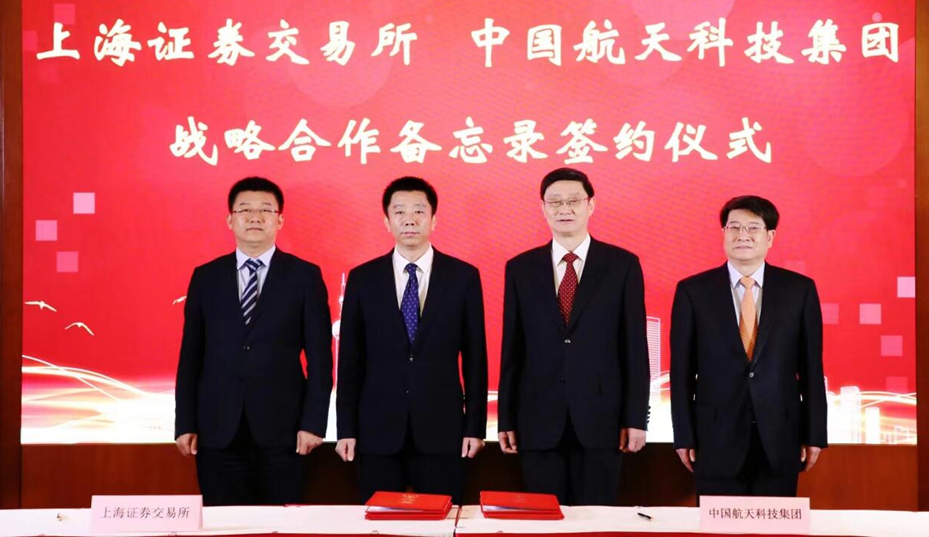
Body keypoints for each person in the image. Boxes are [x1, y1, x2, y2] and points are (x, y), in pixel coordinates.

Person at [174, 176, 333, 505]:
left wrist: (314, 423)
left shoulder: (304, 276)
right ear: (230, 219)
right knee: (224, 522)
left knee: (280, 523)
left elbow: (320, 360)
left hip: (285, 431)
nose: (255, 217)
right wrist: (185, 422)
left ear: (280, 220)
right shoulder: (206, 277)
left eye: (265, 210)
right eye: (245, 209)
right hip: (218, 429)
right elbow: (191, 357)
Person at [497, 167, 649, 505]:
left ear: (590, 205)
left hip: (602, 420)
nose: (564, 209)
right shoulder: (520, 268)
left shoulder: (622, 265)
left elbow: (635, 349)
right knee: (544, 519)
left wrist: (636, 418)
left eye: (573, 201)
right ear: (542, 208)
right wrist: (506, 417)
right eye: (555, 202)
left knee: (596, 518)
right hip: (537, 419)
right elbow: (512, 350)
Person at [335, 176, 487, 504]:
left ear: (434, 219)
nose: (409, 219)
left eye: (419, 211)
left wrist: (475, 427)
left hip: (442, 429)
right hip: (377, 430)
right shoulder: (363, 278)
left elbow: (476, 358)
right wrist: (345, 428)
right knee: (380, 522)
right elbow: (349, 360)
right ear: (386, 221)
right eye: (399, 211)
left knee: (442, 520)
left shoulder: (463, 276)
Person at [670, 195, 827, 497]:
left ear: (770, 237)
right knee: (718, 522)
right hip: (714, 438)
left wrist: (814, 433)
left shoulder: (799, 290)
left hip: (780, 436)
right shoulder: (693, 291)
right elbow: (681, 373)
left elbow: (811, 368)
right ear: (724, 233)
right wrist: (684, 436)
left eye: (753, 228)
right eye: (734, 227)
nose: (742, 235)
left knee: (774, 521)